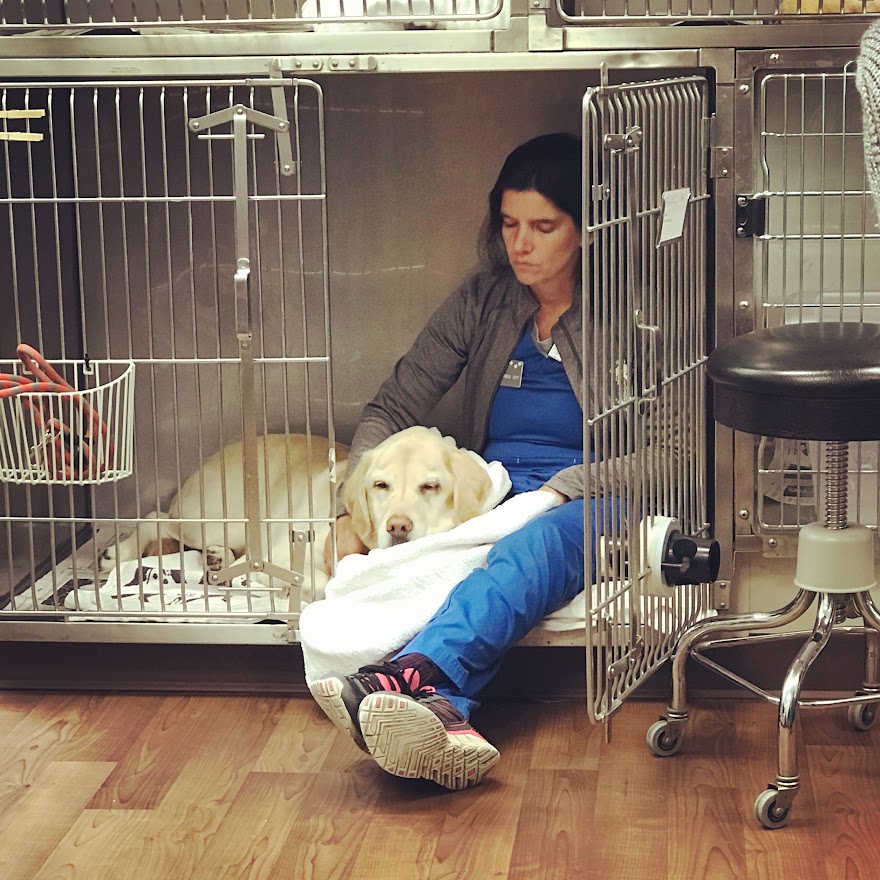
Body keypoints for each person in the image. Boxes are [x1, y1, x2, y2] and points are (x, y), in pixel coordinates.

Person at [312, 132, 595, 791]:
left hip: (593, 494)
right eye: (508, 224)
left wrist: (556, 492)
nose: (519, 244)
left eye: (544, 226)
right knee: (438, 561)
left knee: (533, 546)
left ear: (586, 228)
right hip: (499, 491)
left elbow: (668, 452)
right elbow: (391, 406)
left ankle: (401, 679)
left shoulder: (633, 310)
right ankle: (443, 717)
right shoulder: (487, 301)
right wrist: (355, 505)